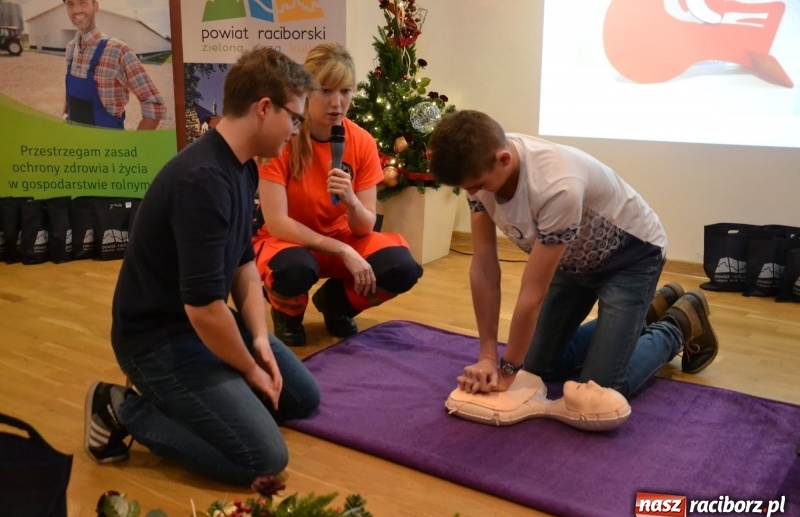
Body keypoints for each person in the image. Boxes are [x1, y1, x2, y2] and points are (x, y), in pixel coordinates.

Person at [83, 47, 320, 487]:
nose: (296, 129)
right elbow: (204, 308)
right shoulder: (202, 181)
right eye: (295, 118)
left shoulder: (243, 166)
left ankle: (210, 396)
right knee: (263, 459)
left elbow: (244, 265)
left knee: (302, 399)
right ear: (264, 109)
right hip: (157, 342)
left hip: (199, 325)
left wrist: (258, 341)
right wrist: (249, 369)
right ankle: (120, 407)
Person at [428, 110, 719, 398]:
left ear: (503, 159)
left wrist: (507, 369)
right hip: (571, 259)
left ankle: (679, 324)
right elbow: (484, 268)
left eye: (478, 186)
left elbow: (532, 294)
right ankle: (648, 310)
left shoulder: (556, 186)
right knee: (541, 366)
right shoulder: (479, 163)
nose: (475, 193)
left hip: (631, 259)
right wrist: (488, 355)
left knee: (602, 389)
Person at [253, 43, 423, 346]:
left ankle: (335, 304)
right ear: (305, 90)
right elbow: (277, 223)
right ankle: (287, 314)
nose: (337, 102)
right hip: (291, 241)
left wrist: (351, 200)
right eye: (326, 90)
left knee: (403, 267)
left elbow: (363, 227)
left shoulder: (362, 141)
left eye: (345, 91)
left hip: (345, 237)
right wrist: (342, 250)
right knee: (293, 270)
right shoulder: (284, 136)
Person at [62, 0, 166, 129]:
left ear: (96, 6)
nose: (77, 10)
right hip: (76, 142)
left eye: (83, 2)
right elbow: (71, 94)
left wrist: (136, 147)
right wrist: (65, 115)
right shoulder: (71, 48)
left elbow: (154, 104)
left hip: (108, 145)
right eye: (70, 4)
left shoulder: (117, 50)